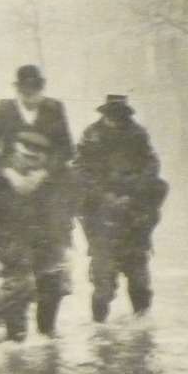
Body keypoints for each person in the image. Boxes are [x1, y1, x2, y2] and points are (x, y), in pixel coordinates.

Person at [73, 93, 169, 322]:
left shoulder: (137, 134)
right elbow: (79, 169)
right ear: (104, 114)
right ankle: (99, 330)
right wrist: (103, 195)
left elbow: (151, 164)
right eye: (111, 114)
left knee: (139, 281)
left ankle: (143, 327)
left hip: (133, 216)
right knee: (103, 284)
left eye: (120, 115)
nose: (115, 120)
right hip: (101, 217)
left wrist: (132, 193)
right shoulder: (91, 135)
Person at [0, 131, 73, 341]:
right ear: (16, 152)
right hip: (12, 239)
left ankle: (46, 332)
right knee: (17, 286)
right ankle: (16, 336)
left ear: (44, 158)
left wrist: (64, 241)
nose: (30, 161)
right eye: (25, 155)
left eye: (36, 157)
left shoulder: (52, 179)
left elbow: (64, 210)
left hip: (46, 240)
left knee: (52, 283)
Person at [0, 64, 74, 173]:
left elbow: (67, 150)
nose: (31, 91)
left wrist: (46, 162)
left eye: (36, 86)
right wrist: (9, 162)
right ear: (17, 88)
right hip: (11, 176)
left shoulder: (54, 109)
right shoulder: (4, 110)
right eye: (26, 86)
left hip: (46, 175)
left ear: (42, 87)